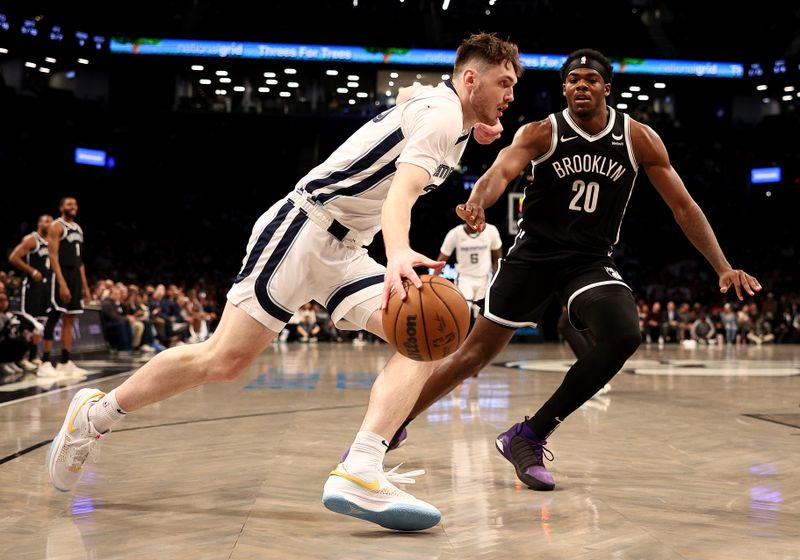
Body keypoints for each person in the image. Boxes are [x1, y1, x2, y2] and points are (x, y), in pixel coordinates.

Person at [47, 32, 520, 532]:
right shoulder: (444, 115)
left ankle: (360, 467)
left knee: (423, 338)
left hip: (345, 250)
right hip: (303, 227)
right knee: (223, 359)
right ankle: (95, 416)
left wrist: (475, 122)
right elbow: (400, 192)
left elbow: (407, 97)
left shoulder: (448, 113)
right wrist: (399, 251)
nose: (510, 94)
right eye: (503, 83)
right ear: (470, 79)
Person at [394, 48, 762, 492]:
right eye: (572, 80)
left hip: (589, 260)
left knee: (624, 333)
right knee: (472, 357)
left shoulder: (638, 138)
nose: (580, 86)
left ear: (607, 87)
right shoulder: (542, 132)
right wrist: (476, 202)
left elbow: (683, 207)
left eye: (590, 79)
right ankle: (393, 424)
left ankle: (528, 435)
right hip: (533, 255)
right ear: (563, 87)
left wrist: (722, 266)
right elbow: (499, 173)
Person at [37, 198, 91, 378]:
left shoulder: (78, 228)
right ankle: (44, 362)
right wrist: (62, 283)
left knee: (70, 318)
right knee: (54, 316)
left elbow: (80, 261)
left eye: (75, 204)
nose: (73, 207)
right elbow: (52, 256)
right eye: (69, 205)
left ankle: (64, 362)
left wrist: (85, 287)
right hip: (61, 275)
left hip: (75, 275)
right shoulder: (56, 226)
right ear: (61, 207)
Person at [7, 214, 53, 368]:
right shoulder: (31, 239)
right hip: (31, 285)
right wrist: (32, 271)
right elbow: (13, 257)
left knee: (39, 322)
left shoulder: (51, 242)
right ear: (39, 223)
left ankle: (33, 356)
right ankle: (21, 357)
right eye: (46, 221)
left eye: (51, 221)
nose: (50, 224)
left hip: (45, 286)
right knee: (28, 321)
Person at [434, 221, 502, 321]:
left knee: (481, 317)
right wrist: (434, 280)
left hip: (484, 278)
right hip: (464, 278)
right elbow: (441, 260)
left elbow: (498, 258)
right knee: (462, 313)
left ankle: (479, 337)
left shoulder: (491, 230)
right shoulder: (455, 233)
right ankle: (461, 336)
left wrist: (496, 280)